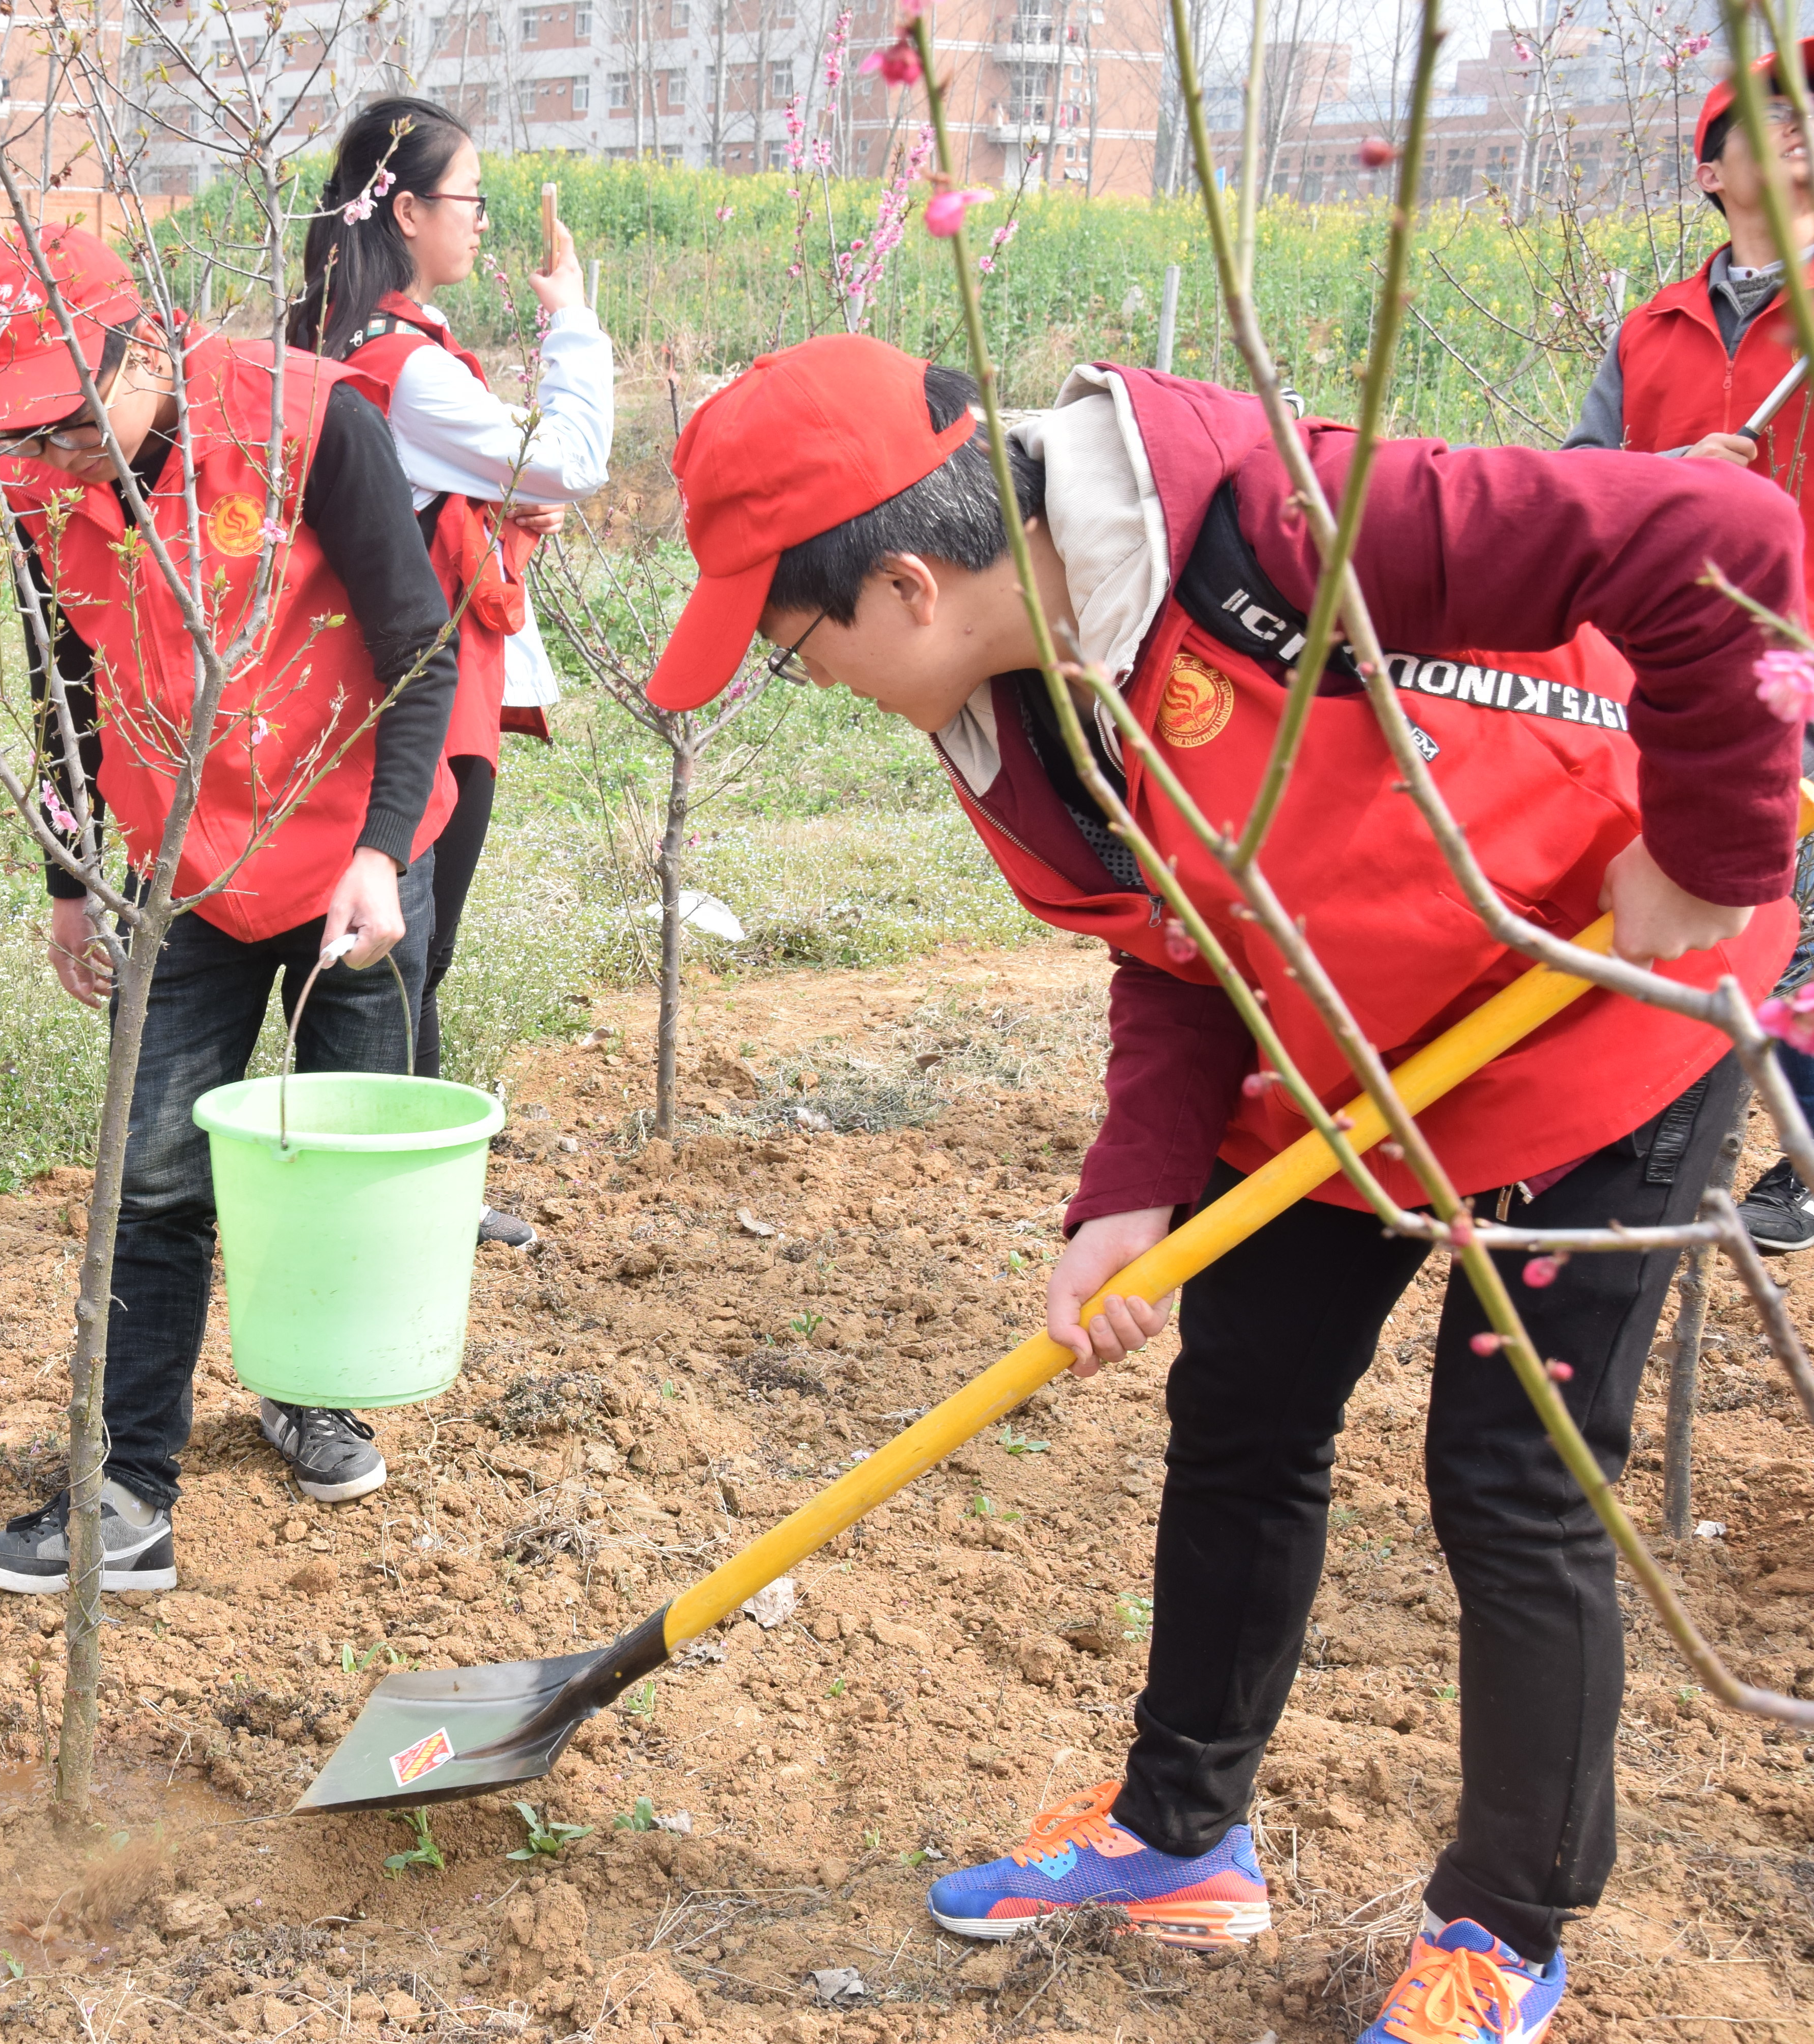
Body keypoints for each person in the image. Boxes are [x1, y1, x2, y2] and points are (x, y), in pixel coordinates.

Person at [647, 335, 1802, 2043]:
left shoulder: (1287, 525)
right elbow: (1180, 941)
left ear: (902, 586)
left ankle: (1503, 1928)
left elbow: (1734, 546)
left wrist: (1710, 842)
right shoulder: (1018, 719)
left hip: (1595, 1005)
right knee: (1245, 1419)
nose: (797, 676)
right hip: (1342, 1047)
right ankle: (1181, 1840)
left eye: (791, 645)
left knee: (1511, 1477)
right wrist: (1131, 1187)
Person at [0, 225, 459, 1592]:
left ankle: (310, 1391)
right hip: (187, 869)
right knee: (159, 1171)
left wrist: (384, 852)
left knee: (327, 1160)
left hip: (345, 847)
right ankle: (127, 1498)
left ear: (146, 349)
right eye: (16, 435)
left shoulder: (307, 425)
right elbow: (62, 680)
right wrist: (70, 877)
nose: (43, 460)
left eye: (60, 420)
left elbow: (420, 644)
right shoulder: (46, 485)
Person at [287, 96, 612, 1251]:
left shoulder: (326, 341)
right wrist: (572, 323)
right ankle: (416, 1192)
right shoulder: (403, 370)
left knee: (379, 952)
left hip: (339, 695)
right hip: (431, 693)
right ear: (409, 209)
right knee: (413, 953)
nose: (480, 220)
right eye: (468, 199)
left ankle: (376, 1171)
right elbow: (568, 460)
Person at [1568, 43, 1814, 1252]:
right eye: (1767, 117)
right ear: (1714, 172)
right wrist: (1669, 479)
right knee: (1675, 895)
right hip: (1662, 667)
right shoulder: (1648, 332)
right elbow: (1572, 485)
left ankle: (1802, 1162)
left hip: (1803, 659)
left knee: (1799, 909)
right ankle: (1639, 1126)